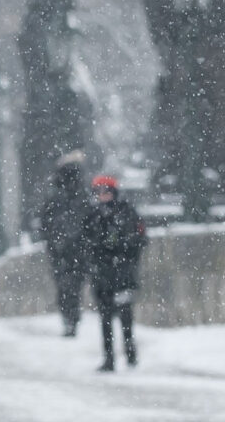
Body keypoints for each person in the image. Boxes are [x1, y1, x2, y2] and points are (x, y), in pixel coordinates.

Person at [83, 174, 147, 373]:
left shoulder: (126, 212)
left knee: (125, 316)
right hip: (102, 275)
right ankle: (109, 358)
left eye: (106, 191)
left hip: (122, 275)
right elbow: (86, 243)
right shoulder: (93, 215)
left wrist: (121, 251)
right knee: (105, 318)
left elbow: (139, 239)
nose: (103, 195)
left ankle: (130, 354)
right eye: (99, 191)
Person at [40, 157, 91, 339]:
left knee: (66, 287)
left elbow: (45, 224)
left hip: (66, 251)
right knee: (71, 287)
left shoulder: (57, 199)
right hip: (72, 251)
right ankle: (72, 317)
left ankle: (70, 318)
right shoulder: (79, 197)